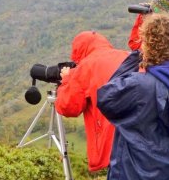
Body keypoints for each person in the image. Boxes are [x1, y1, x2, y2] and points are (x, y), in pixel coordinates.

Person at [98, 14, 169, 180]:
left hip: (135, 178)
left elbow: (106, 98)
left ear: (149, 46)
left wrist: (135, 57)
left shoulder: (139, 86)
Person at [55, 31, 129, 172]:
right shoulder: (127, 56)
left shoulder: (85, 67)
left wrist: (66, 80)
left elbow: (68, 107)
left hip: (110, 144)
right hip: (138, 137)